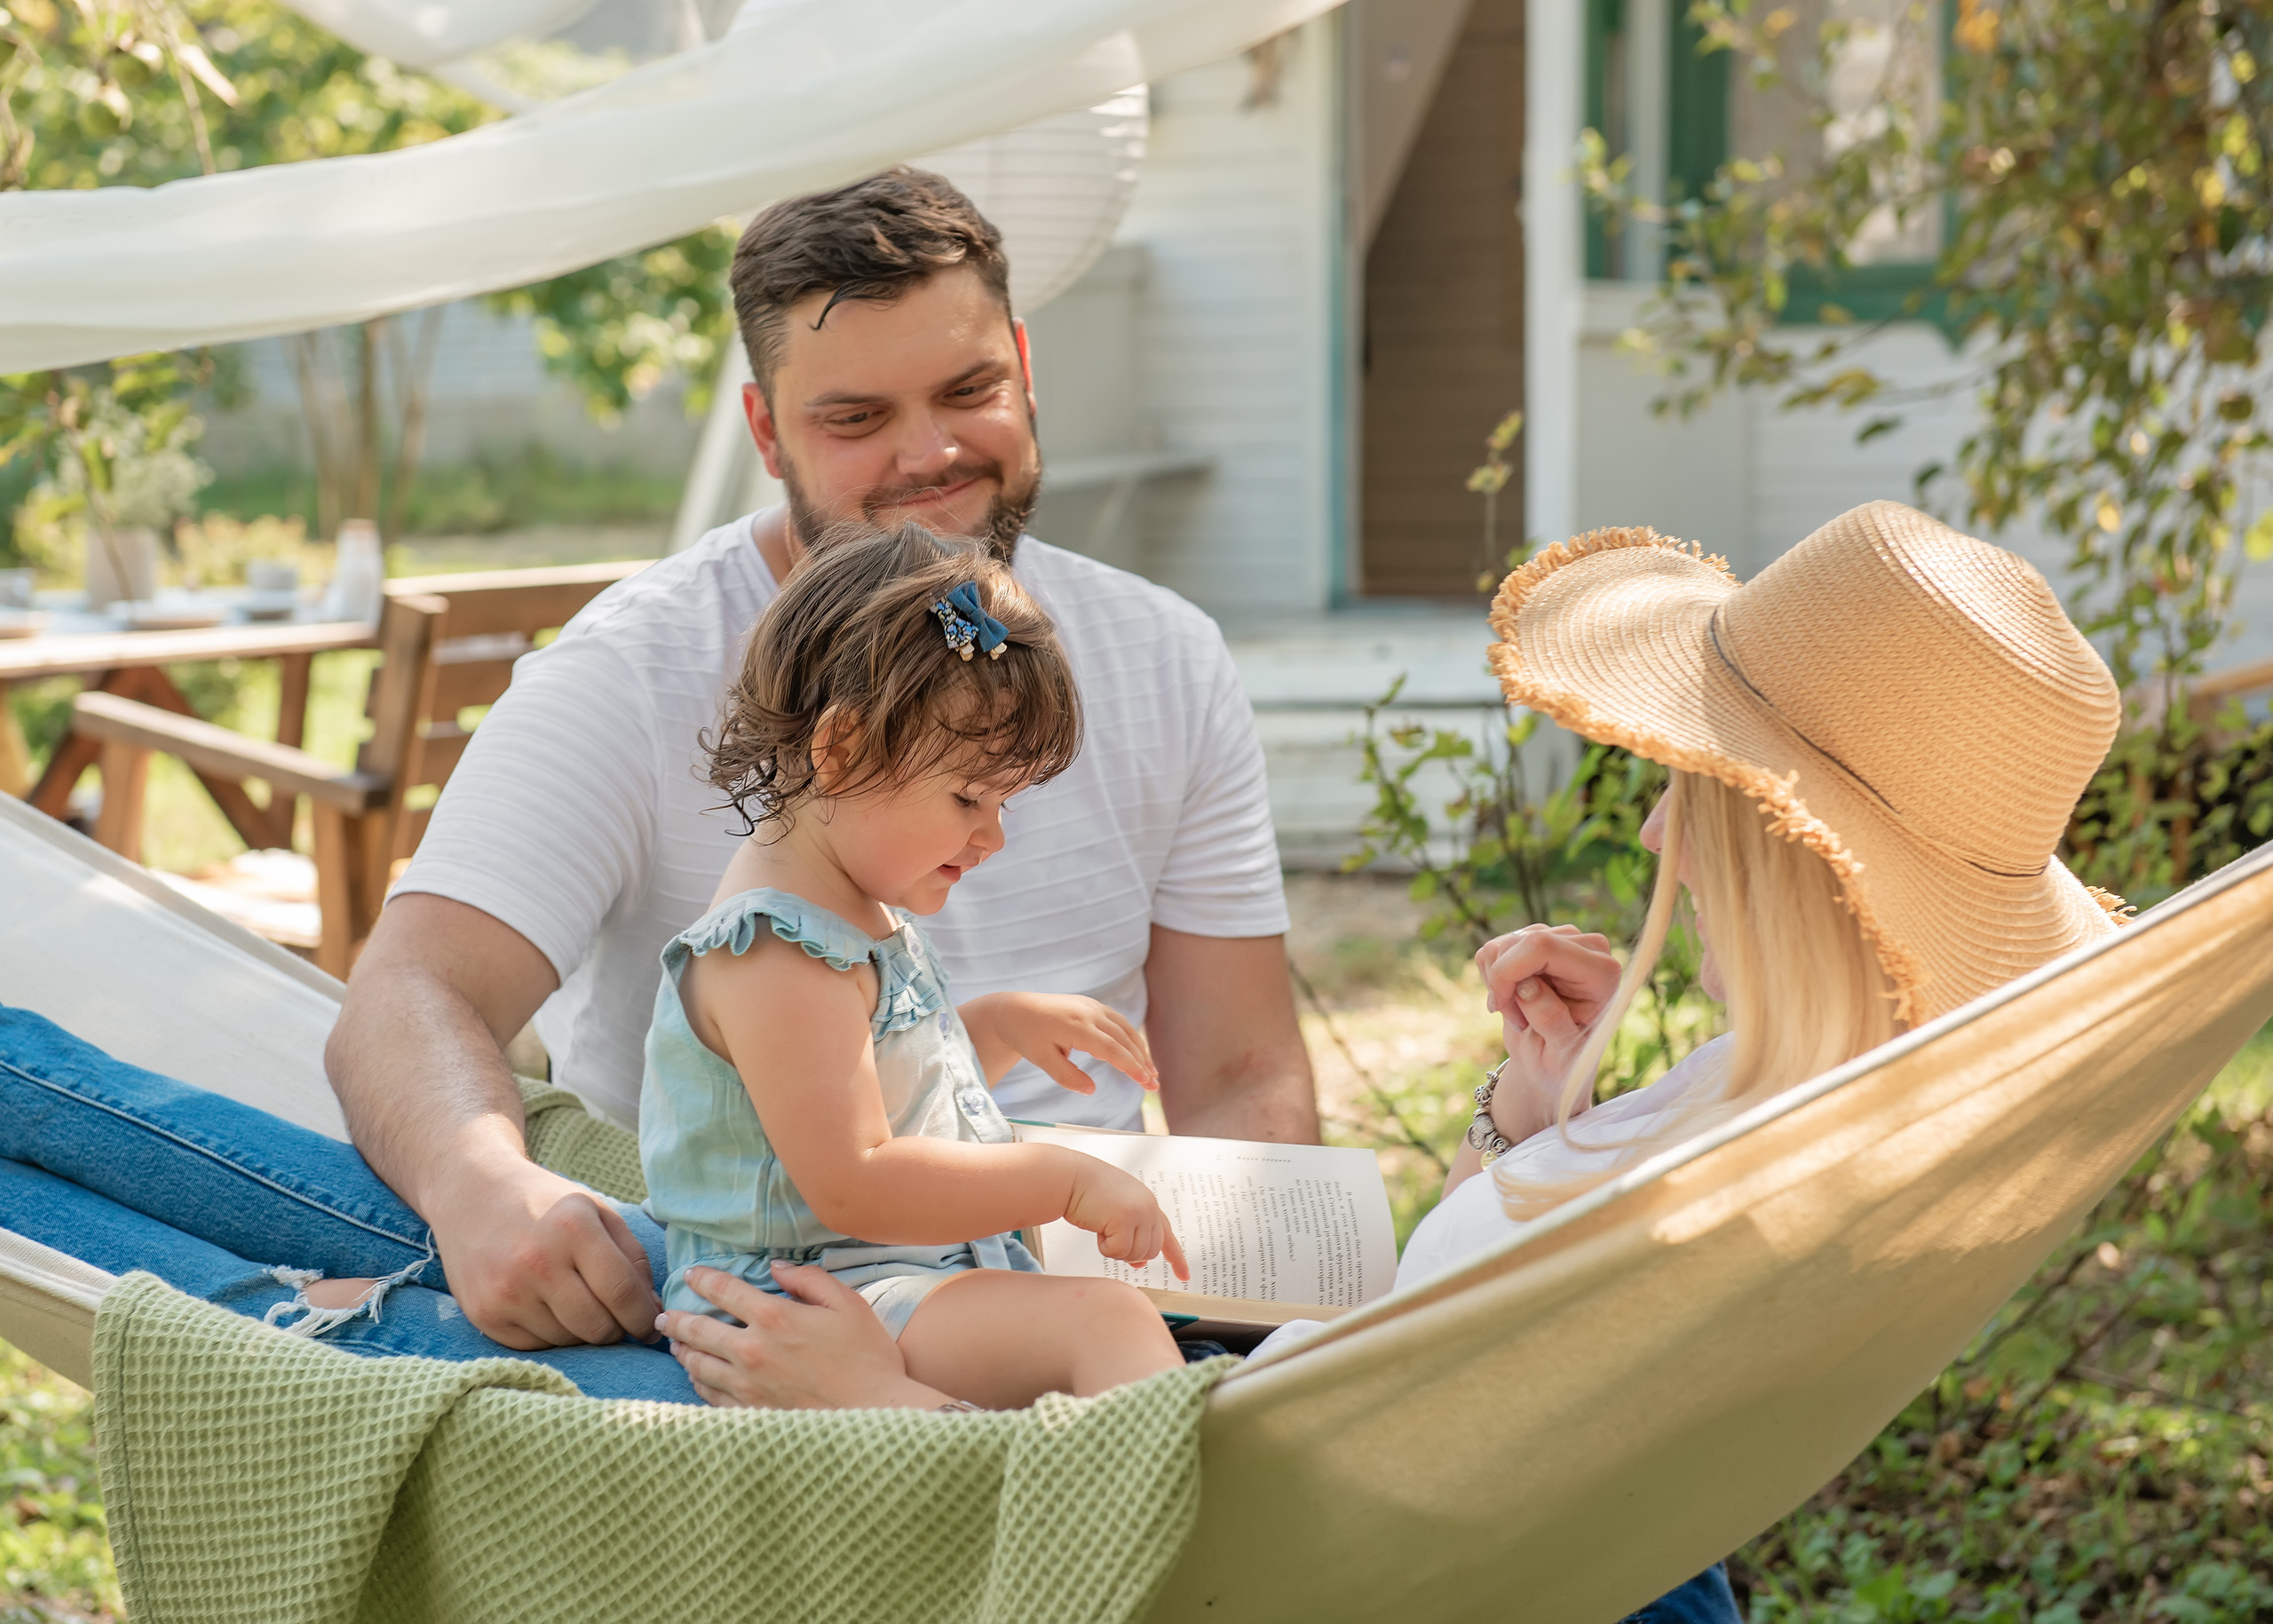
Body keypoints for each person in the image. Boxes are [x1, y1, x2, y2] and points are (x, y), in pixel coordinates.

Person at [654, 500, 2126, 1617]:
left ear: (1796, 854)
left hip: (1254, 1498)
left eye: (1701, 791)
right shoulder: (1792, 1088)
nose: (1661, 828)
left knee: (1087, 1306)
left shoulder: (1765, 1141)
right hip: (1285, 1394)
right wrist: (1536, 1122)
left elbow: (1307, 1522)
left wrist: (890, 1412)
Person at [324, 165, 1319, 1362]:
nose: (931, 453)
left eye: (970, 389)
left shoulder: (1164, 653)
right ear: (766, 430)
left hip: (1080, 1279)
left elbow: (1243, 1069)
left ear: (1025, 369)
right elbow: (407, 993)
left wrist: (1271, 1300)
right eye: (855, 418)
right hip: (782, 1307)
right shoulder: (629, 669)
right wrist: (479, 1183)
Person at [648, 522, 1198, 1406]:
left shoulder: (847, 911)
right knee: (1106, 1322)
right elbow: (855, 1177)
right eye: (970, 796)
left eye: (1006, 801)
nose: (993, 835)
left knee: (1114, 1319)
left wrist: (996, 1026)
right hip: (812, 1298)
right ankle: (1160, 1516)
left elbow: (879, 1092)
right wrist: (1062, 1179)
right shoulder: (778, 951)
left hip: (889, 1274)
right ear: (841, 748)